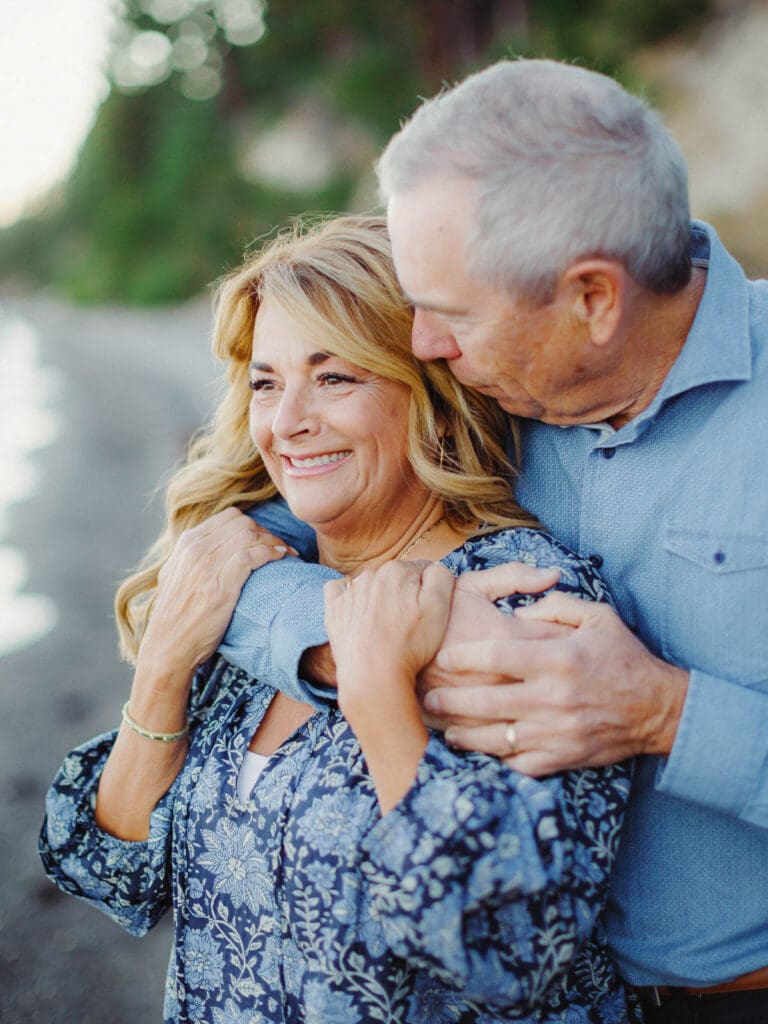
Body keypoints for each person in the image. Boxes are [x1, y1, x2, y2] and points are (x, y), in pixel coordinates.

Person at [197, 61, 768, 1024]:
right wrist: (361, 641)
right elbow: (249, 548)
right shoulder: (499, 388)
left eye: (451, 314)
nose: (424, 344)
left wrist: (667, 715)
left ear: (592, 297)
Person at [40, 217, 636, 1024]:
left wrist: (382, 699)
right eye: (266, 383)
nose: (288, 420)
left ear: (436, 399)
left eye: (335, 378)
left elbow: (514, 953)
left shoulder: (526, 601)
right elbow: (109, 869)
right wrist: (166, 664)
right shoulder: (253, 589)